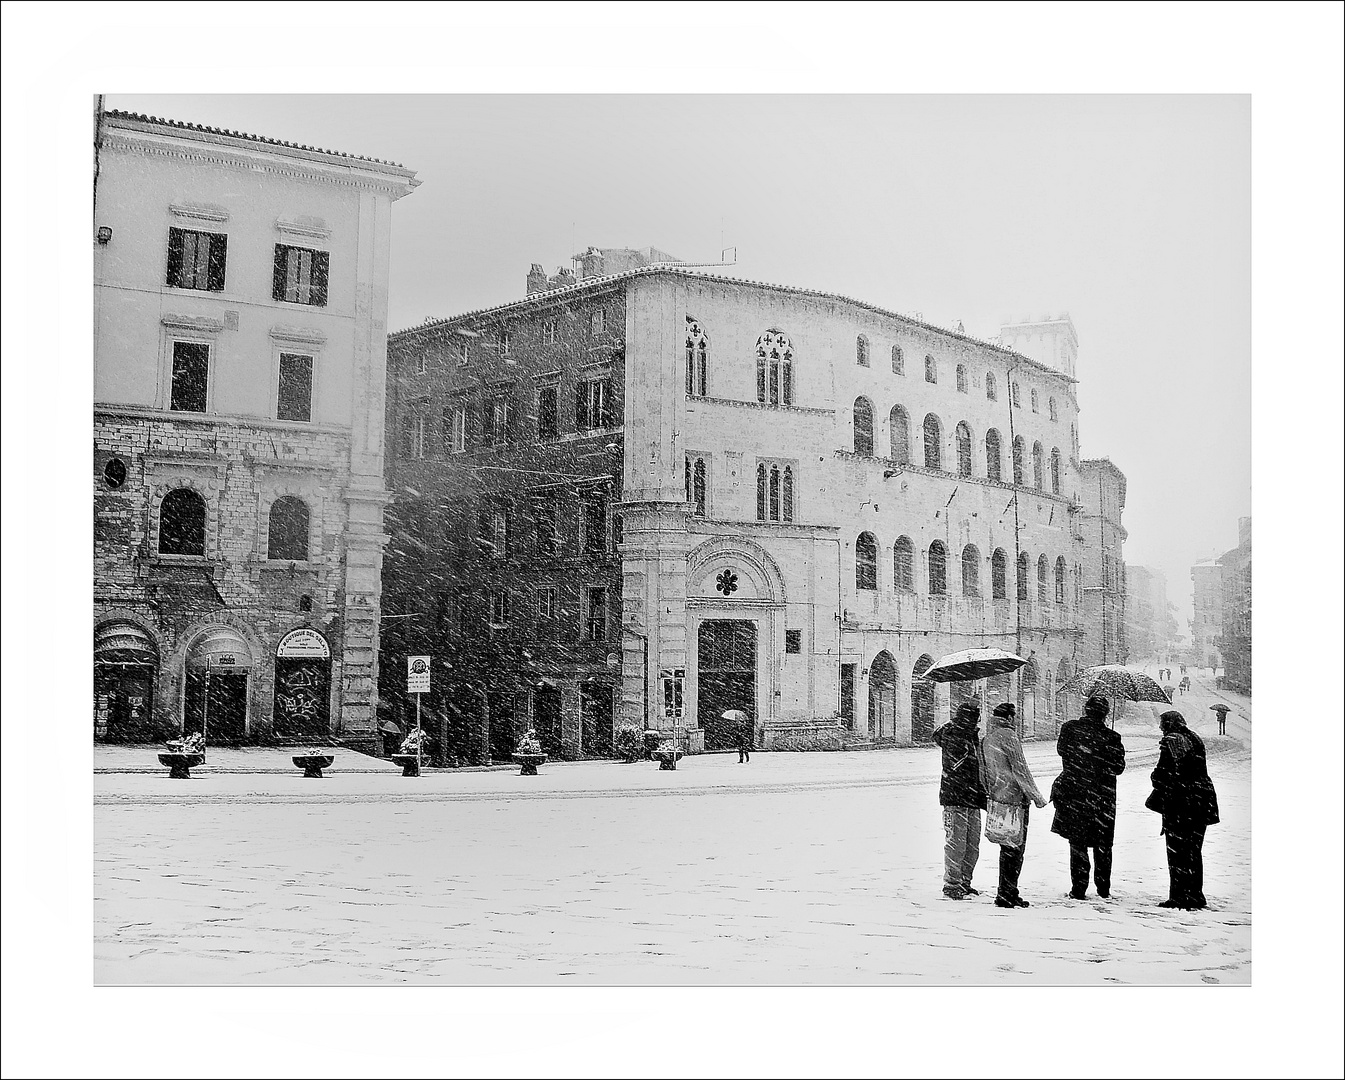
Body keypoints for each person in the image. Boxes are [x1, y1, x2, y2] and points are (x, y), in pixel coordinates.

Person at [1051, 696, 1126, 899]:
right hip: (1103, 799)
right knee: (1103, 845)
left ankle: (1079, 888)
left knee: (1077, 843)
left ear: (1086, 709)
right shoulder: (1112, 737)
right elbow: (1118, 768)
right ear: (1105, 713)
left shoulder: (1070, 729)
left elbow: (1062, 751)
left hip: (1075, 795)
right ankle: (1103, 889)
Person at [1147, 711, 1220, 910]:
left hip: (1180, 802)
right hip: (1202, 800)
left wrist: (1154, 776)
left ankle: (1178, 896)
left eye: (1162, 725)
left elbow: (1164, 774)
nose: (1161, 729)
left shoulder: (1172, 741)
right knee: (1193, 851)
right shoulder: (1194, 738)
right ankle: (1195, 895)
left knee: (1177, 851)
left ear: (1168, 725)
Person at [980, 702, 1048, 908]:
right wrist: (1036, 796)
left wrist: (991, 791)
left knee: (1005, 846)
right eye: (1014, 717)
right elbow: (1020, 769)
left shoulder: (987, 737)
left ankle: (1006, 891)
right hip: (1015, 800)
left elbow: (983, 771)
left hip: (997, 797)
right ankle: (1007, 893)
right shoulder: (1008, 736)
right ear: (1009, 718)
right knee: (1015, 848)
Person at [931, 702, 987, 900]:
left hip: (972, 797)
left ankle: (965, 881)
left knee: (972, 843)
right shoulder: (955, 736)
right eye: (975, 717)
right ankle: (952, 884)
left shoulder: (970, 736)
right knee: (957, 842)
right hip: (955, 797)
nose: (977, 722)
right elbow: (957, 765)